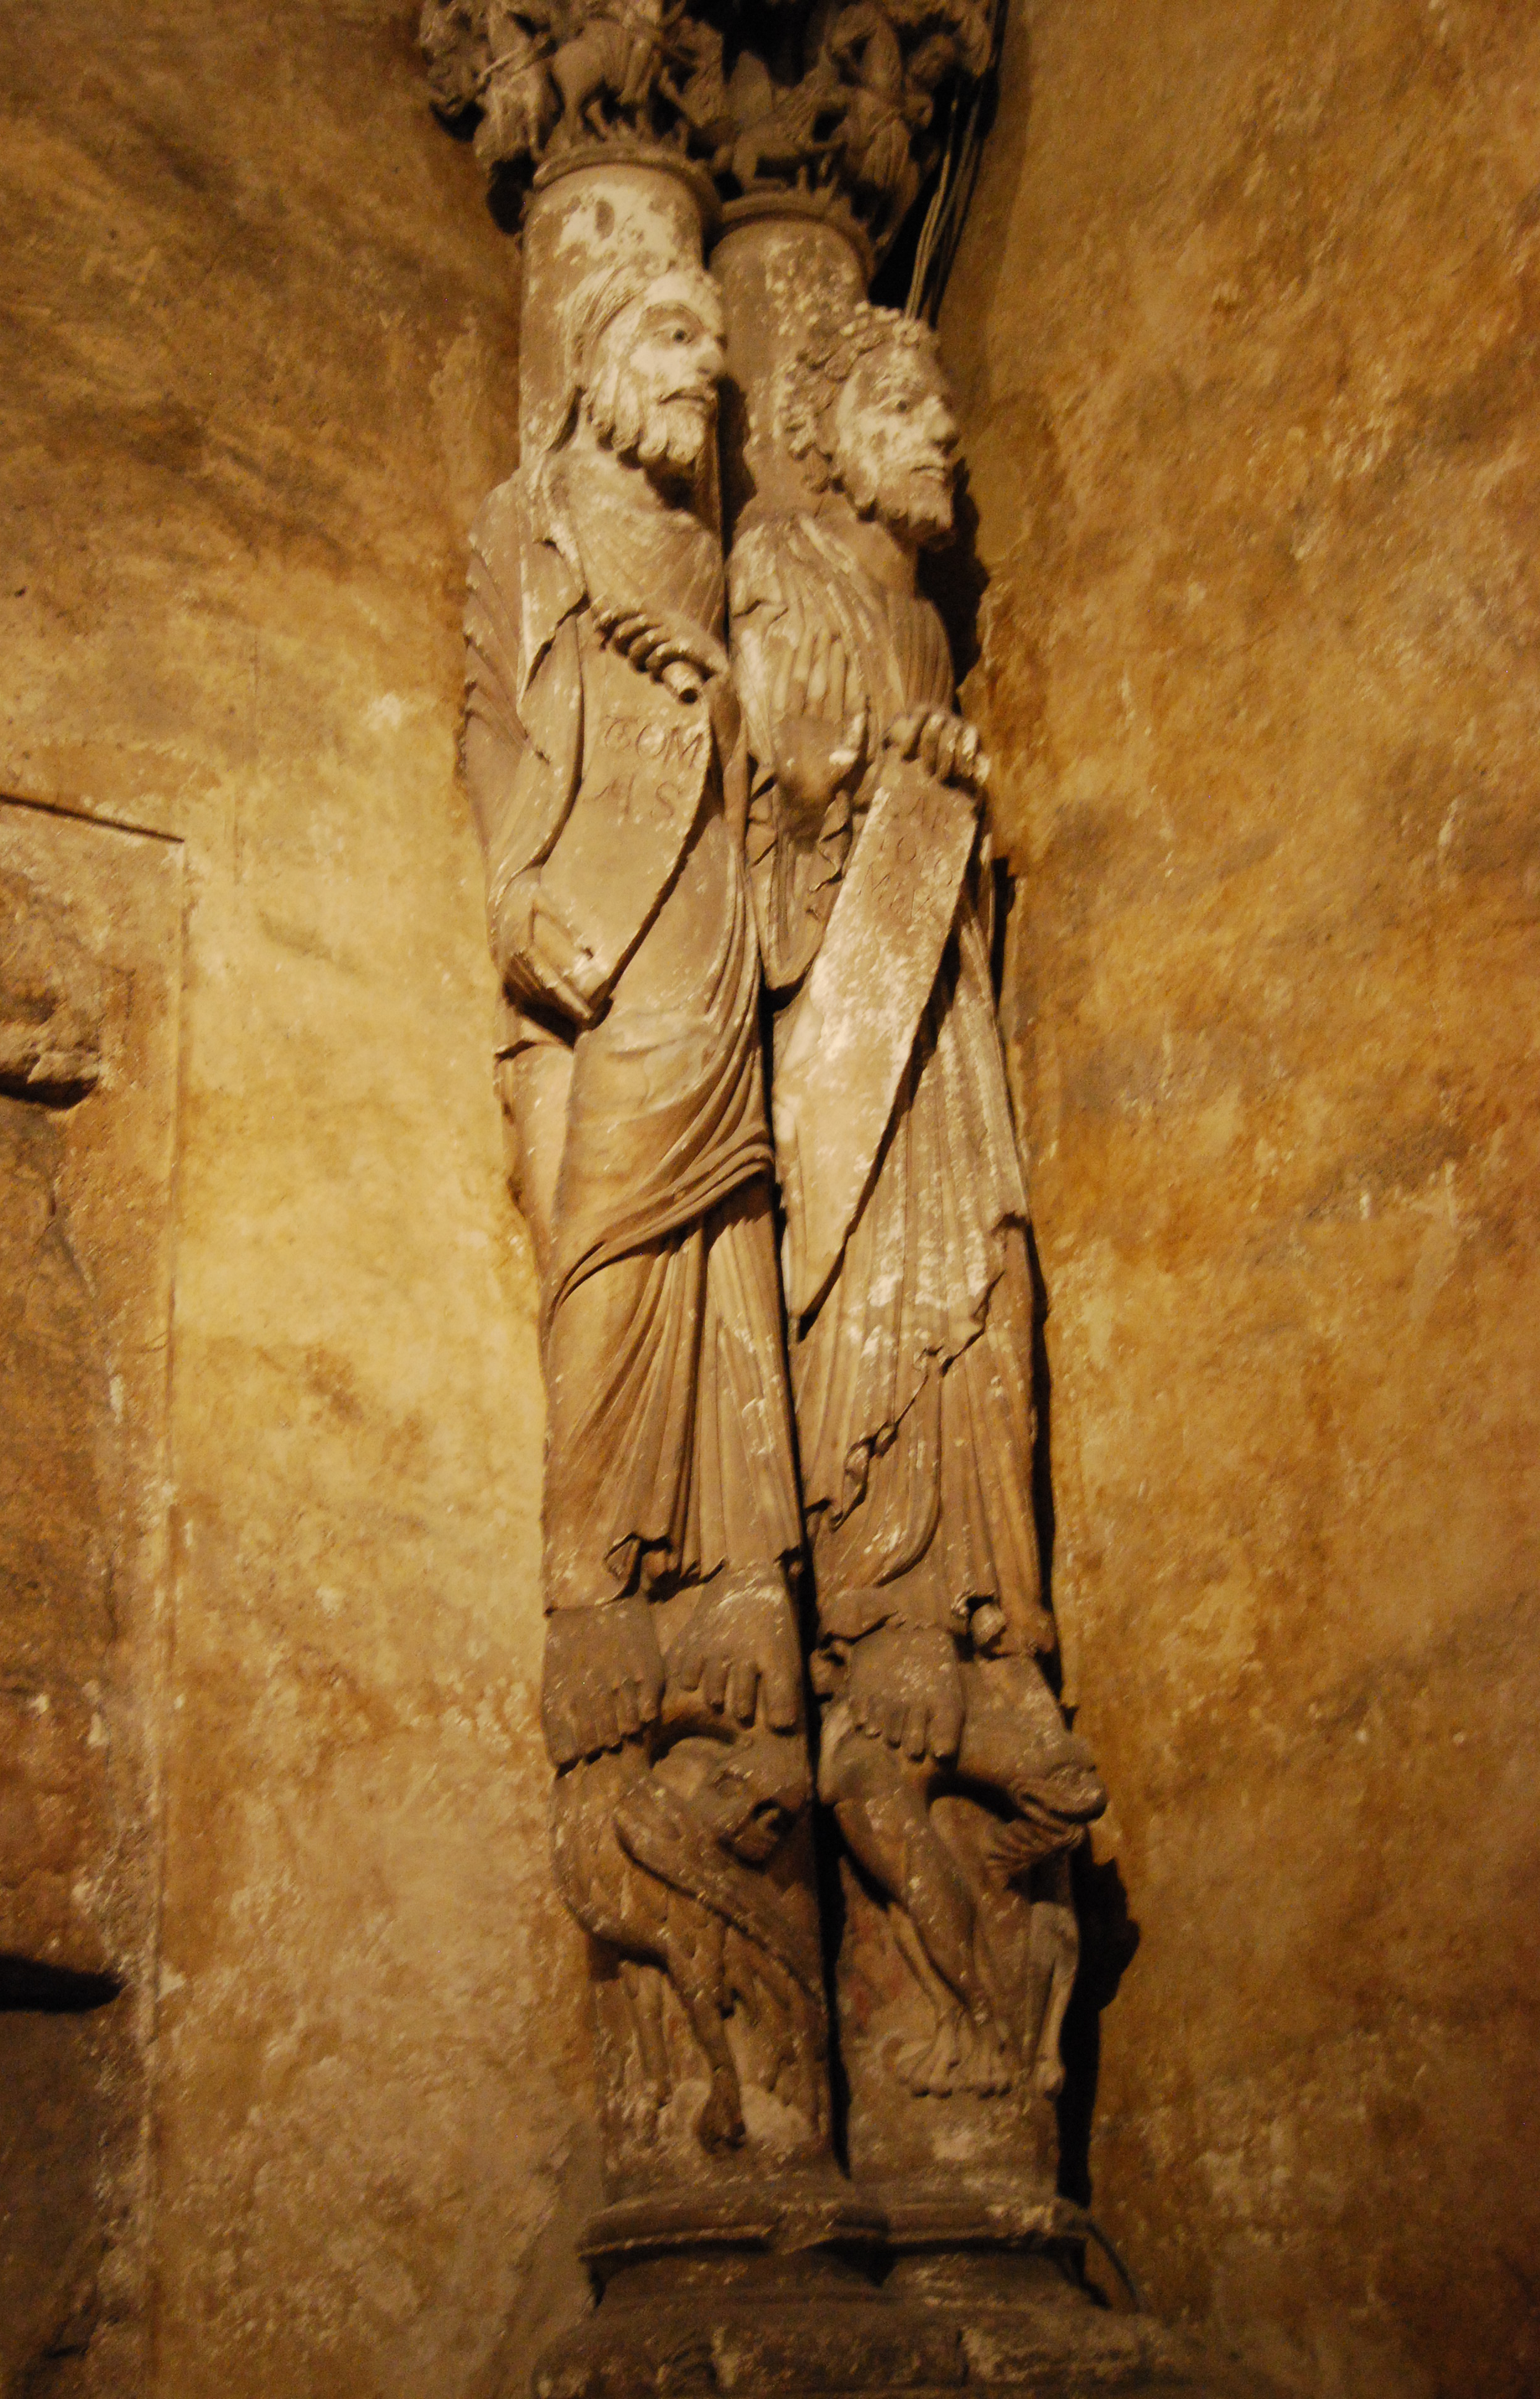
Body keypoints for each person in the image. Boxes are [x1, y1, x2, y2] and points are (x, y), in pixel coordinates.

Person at [461, 258, 826, 2154]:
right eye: (670, 336)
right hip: (598, 977)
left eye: (714, 339)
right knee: (600, 1276)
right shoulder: (530, 526)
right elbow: (495, 739)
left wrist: (729, 707)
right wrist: (522, 909)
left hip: (718, 981)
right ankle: (611, 1603)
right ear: (598, 367)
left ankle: (731, 1588)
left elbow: (779, 787)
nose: (702, 369)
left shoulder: (729, 559)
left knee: (727, 1308)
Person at [729, 304, 1104, 2095]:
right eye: (914, 409)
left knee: (988, 1308)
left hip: (943, 1052)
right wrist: (854, 797)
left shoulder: (920, 620)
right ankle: (885, 1622)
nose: (948, 439)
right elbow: (758, 848)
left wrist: (930, 797)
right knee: (886, 1324)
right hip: (846, 1071)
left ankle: (977, 1621)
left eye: (948, 408)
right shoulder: (786, 579)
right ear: (830, 434)